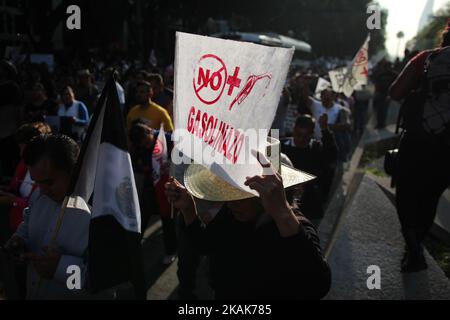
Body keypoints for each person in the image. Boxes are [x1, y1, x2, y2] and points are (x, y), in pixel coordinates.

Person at [165, 139, 331, 299]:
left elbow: (317, 286)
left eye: (240, 195)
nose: (230, 202)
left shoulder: (292, 228)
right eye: (229, 191)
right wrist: (188, 209)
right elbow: (206, 244)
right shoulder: (232, 215)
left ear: (267, 195)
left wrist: (283, 214)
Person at [389, 22, 450, 273]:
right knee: (430, 196)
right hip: (447, 147)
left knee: (406, 194)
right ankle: (416, 245)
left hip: (416, 141)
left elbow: (395, 92)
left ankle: (412, 246)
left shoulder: (427, 58)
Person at [3, 134, 91, 299]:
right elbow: (27, 222)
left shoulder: (96, 215)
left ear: (74, 171)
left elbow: (102, 287)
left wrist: (61, 269)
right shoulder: (40, 195)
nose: (42, 190)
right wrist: (19, 240)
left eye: (49, 182)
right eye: (37, 182)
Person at [281, 114, 338, 221]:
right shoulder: (281, 145)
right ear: (293, 130)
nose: (301, 139)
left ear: (312, 134)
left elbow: (332, 155)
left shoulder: (316, 148)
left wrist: (325, 129)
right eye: (298, 134)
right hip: (283, 202)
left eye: (306, 136)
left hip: (309, 204)